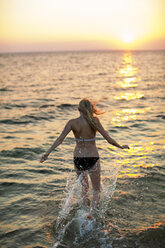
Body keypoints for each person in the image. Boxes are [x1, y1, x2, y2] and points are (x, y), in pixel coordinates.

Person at [40, 98, 129, 210]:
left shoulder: (72, 122)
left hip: (78, 158)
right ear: (91, 109)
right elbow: (108, 139)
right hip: (92, 157)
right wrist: (120, 146)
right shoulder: (95, 121)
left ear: (78, 109)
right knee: (96, 190)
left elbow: (60, 139)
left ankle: (84, 210)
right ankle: (91, 213)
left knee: (84, 189)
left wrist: (47, 153)